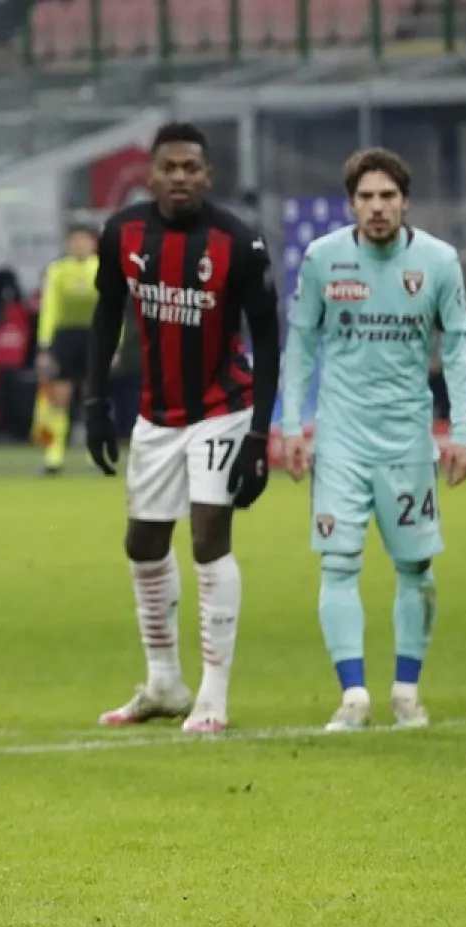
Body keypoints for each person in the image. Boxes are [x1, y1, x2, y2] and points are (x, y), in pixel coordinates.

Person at [84, 121, 282, 734]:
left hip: (224, 408)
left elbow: (269, 338)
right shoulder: (123, 234)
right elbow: (106, 313)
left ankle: (214, 698)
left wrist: (258, 437)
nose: (179, 178)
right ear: (151, 174)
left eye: (190, 168)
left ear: (208, 175)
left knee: (206, 539)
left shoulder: (239, 243)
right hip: (156, 415)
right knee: (142, 543)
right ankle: (165, 684)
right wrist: (93, 401)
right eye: (168, 167)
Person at [280, 148, 466, 731]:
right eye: (366, 197)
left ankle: (407, 692)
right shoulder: (323, 259)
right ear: (351, 204)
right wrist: (293, 425)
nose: (377, 207)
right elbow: (301, 345)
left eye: (387, 196)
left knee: (415, 568)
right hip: (341, 439)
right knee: (338, 564)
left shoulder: (439, 262)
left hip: (407, 441)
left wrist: (463, 431)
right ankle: (354, 697)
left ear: (405, 201)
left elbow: (461, 348)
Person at [31, 223, 99, 474]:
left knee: (94, 396)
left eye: (84, 240)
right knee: (59, 397)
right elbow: (50, 308)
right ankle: (54, 456)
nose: (79, 245)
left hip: (95, 337)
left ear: (93, 244)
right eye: (74, 240)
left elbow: (113, 311)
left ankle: (95, 454)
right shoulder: (57, 271)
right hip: (66, 337)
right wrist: (45, 345)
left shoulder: (104, 269)